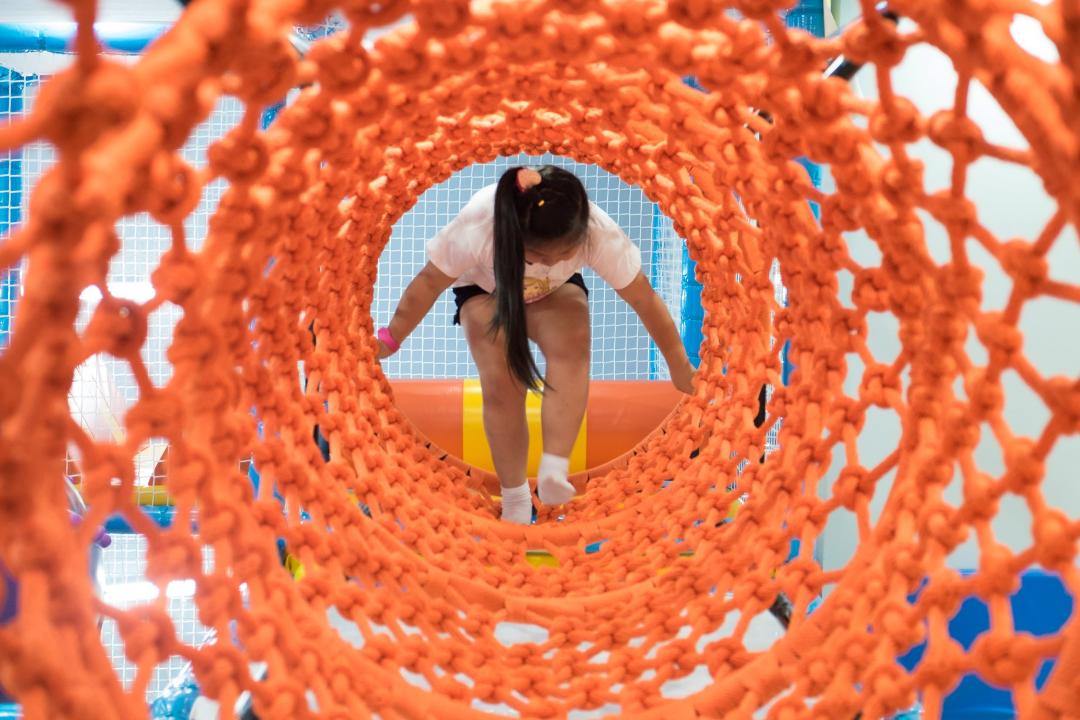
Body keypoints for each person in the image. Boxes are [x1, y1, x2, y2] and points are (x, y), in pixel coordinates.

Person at [376, 165, 696, 524]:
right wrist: (392, 338)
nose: (552, 262)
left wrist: (678, 365)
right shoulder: (479, 228)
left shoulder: (597, 233)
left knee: (573, 345)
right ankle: (515, 497)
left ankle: (554, 469)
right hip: (485, 290)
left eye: (564, 254)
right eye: (539, 258)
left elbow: (644, 299)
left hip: (554, 291)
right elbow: (427, 283)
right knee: (502, 381)